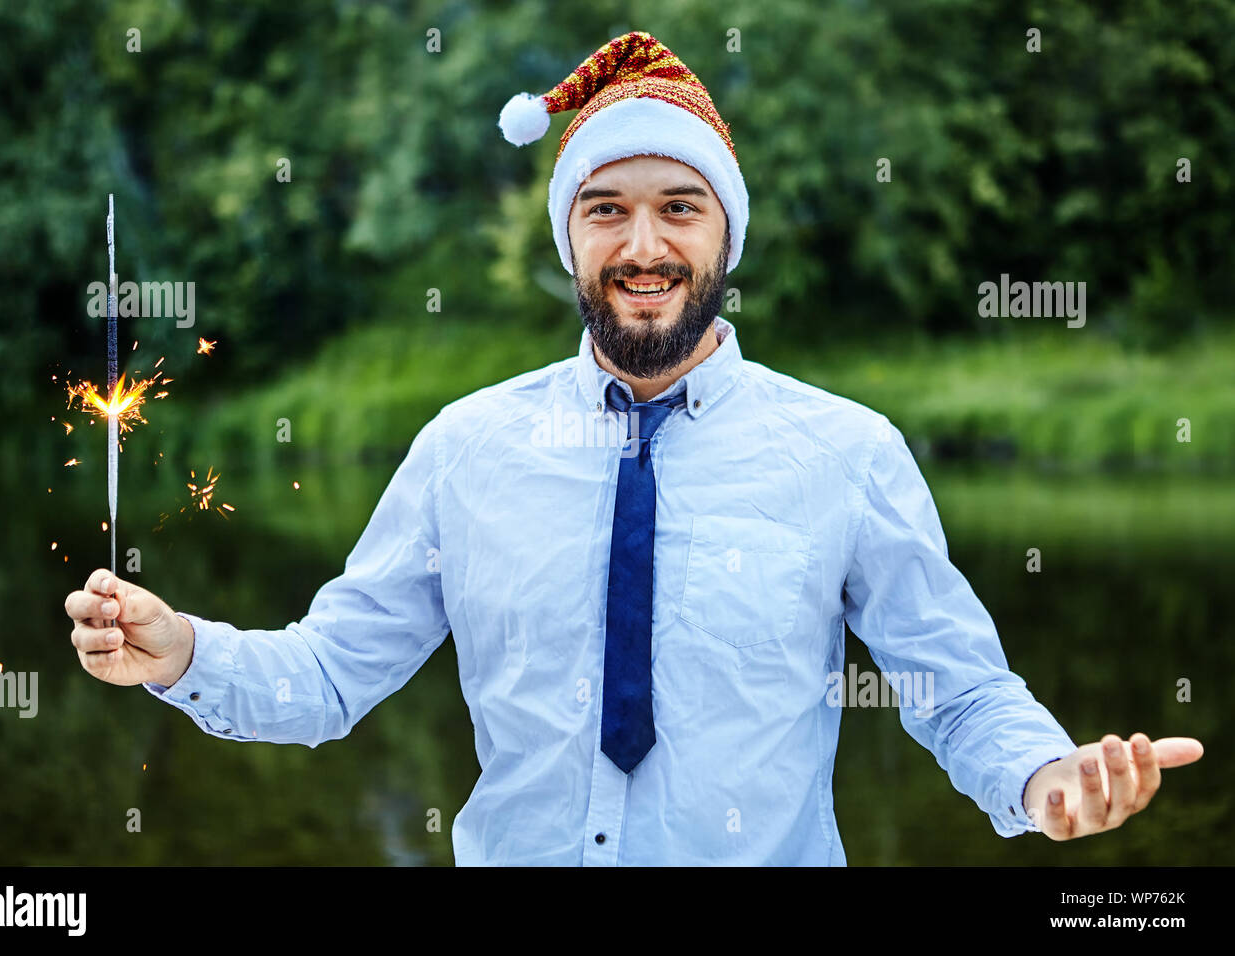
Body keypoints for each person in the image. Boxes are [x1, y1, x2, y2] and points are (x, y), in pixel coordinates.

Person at [64, 31, 1202, 865]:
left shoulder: (846, 452)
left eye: (678, 208)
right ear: (569, 237)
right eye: (605, 208)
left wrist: (1044, 777)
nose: (642, 243)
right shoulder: (466, 449)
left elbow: (957, 692)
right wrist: (178, 650)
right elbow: (324, 677)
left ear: (724, 236)